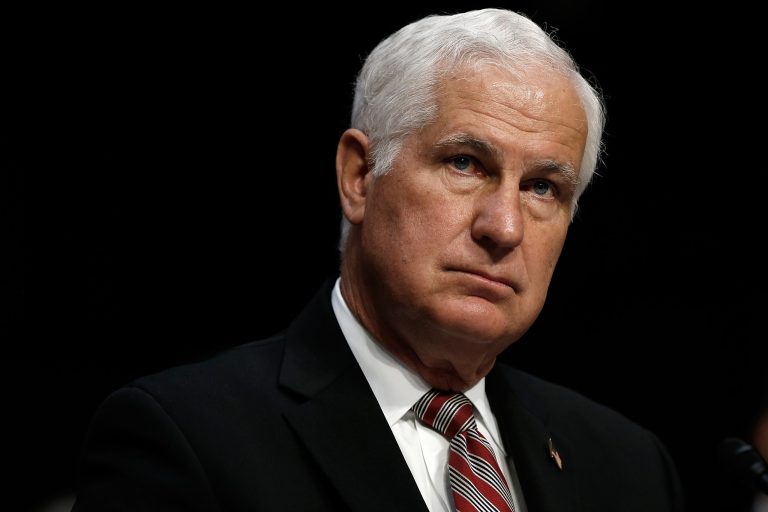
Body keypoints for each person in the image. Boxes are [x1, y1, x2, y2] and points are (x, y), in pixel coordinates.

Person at [72, 8, 684, 511]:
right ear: (360, 177)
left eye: (543, 187)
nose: (503, 227)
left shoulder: (630, 467)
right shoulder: (188, 439)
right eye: (465, 164)